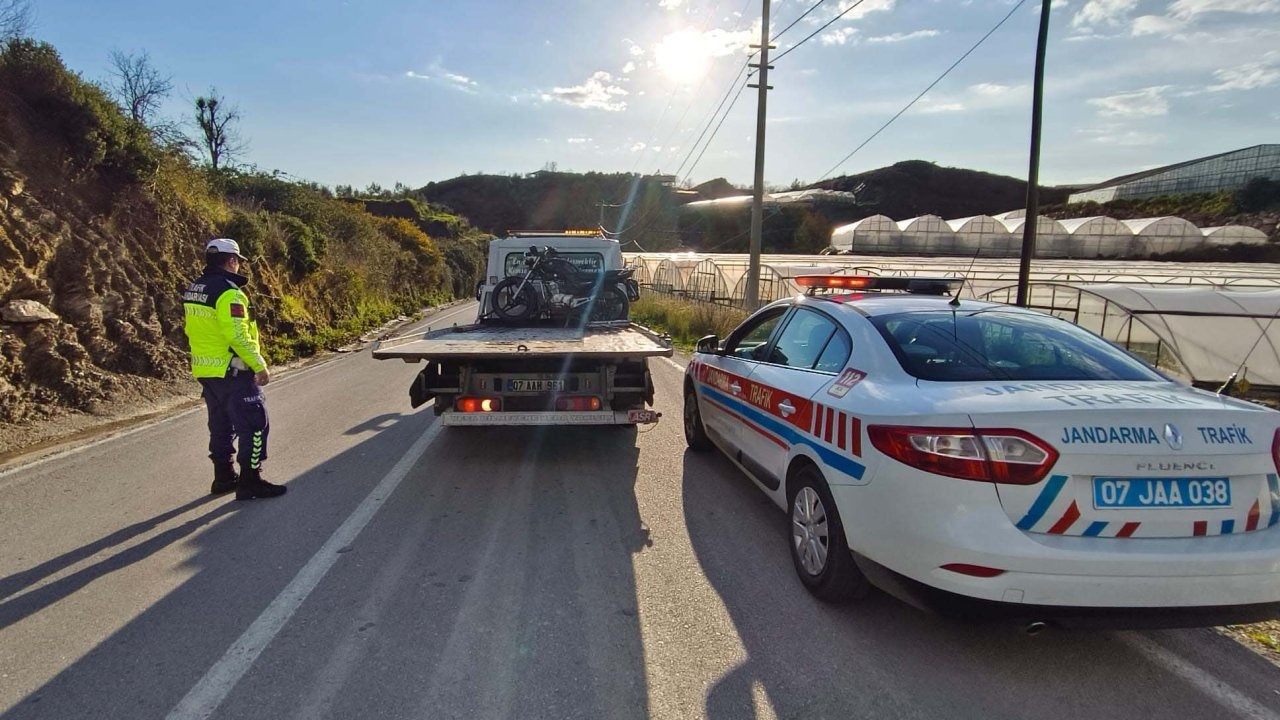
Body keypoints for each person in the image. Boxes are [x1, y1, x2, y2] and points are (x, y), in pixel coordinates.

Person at [181, 238, 287, 500]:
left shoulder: (195, 288)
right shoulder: (229, 293)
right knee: (254, 425)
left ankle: (224, 477)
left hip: (208, 371)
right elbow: (237, 336)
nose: (239, 266)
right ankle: (251, 481)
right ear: (231, 261)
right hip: (234, 371)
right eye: (238, 261)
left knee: (221, 426)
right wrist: (259, 365)